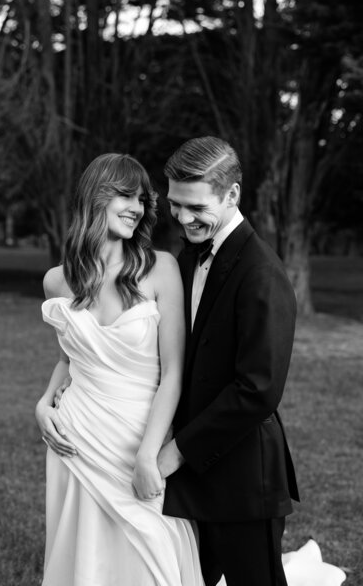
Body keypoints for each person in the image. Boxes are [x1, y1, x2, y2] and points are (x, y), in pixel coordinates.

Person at [35, 153, 205, 586]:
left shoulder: (159, 268)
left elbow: (173, 376)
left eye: (142, 199)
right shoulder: (57, 281)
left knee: (155, 549)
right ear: (96, 197)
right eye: (126, 195)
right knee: (84, 554)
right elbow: (69, 359)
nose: (138, 207)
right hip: (75, 436)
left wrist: (149, 454)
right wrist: (41, 405)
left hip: (136, 438)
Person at [156, 136, 300, 586]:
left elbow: (257, 389)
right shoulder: (187, 255)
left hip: (241, 480)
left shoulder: (261, 273)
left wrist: (176, 452)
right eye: (175, 205)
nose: (182, 217)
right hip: (195, 481)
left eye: (196, 207)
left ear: (232, 194)